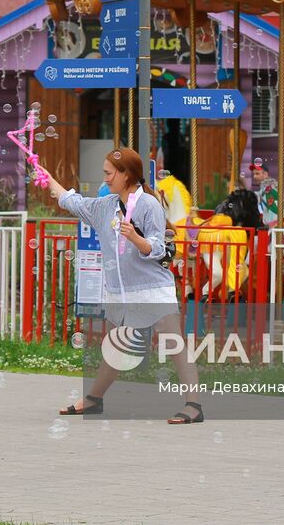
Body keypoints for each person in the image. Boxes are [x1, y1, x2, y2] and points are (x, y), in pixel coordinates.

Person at [47, 148, 204, 424]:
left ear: (126, 174)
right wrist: (44, 175)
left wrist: (135, 238)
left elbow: (157, 247)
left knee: (174, 344)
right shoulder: (105, 206)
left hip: (153, 289)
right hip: (121, 292)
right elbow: (71, 201)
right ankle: (94, 400)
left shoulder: (148, 206)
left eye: (109, 173)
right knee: (115, 349)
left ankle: (194, 406)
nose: (105, 178)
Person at [250, 162, 279, 227]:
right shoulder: (264, 188)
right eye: (253, 174)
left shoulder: (268, 189)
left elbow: (273, 210)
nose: (254, 176)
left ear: (265, 174)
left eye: (257, 174)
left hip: (273, 226)